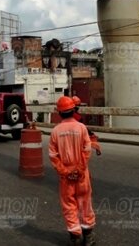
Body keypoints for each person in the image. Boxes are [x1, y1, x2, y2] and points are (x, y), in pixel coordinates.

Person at [49, 96, 96, 246]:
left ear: (59, 113)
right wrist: (80, 170)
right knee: (85, 203)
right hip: (82, 175)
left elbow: (53, 156)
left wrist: (65, 172)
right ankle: (88, 237)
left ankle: (75, 237)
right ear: (73, 110)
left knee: (69, 205)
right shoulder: (81, 128)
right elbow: (87, 150)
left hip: (66, 177)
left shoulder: (55, 131)